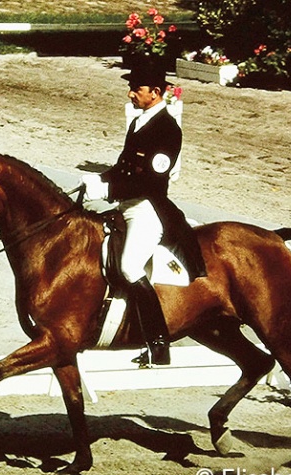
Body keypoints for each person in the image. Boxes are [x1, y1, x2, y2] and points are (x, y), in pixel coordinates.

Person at [82, 61, 206, 366]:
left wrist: (108, 191)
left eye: (136, 89)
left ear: (155, 92)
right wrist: (101, 180)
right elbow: (124, 166)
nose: (130, 94)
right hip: (127, 203)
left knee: (129, 267)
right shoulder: (140, 121)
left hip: (148, 208)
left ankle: (159, 342)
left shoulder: (167, 129)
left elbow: (149, 180)